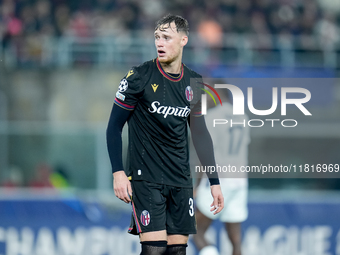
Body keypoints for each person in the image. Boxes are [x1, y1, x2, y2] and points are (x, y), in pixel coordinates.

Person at [106, 14, 224, 255]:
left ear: (183, 40)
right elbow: (114, 127)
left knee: (177, 251)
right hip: (146, 178)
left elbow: (201, 135)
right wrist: (118, 173)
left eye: (166, 38)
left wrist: (214, 182)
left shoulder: (195, 82)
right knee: (154, 251)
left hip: (180, 180)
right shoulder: (139, 76)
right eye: (157, 37)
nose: (159, 43)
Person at [193, 87, 250, 255]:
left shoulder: (212, 117)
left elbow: (204, 154)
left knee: (197, 231)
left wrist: (197, 184)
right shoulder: (243, 117)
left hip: (217, 180)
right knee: (235, 239)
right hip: (239, 180)